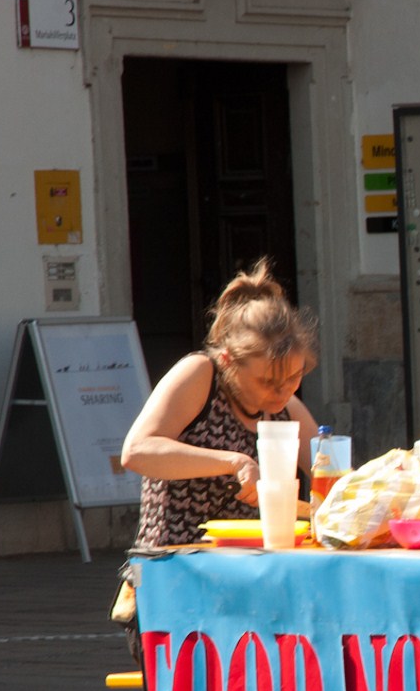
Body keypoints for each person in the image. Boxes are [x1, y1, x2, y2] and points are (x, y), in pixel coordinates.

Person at [119, 260, 319, 654]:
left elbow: (333, 472)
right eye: (267, 381)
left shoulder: (284, 408)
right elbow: (137, 451)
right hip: (175, 584)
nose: (282, 391)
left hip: (251, 590)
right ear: (228, 360)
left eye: (294, 378)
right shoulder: (200, 375)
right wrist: (234, 461)